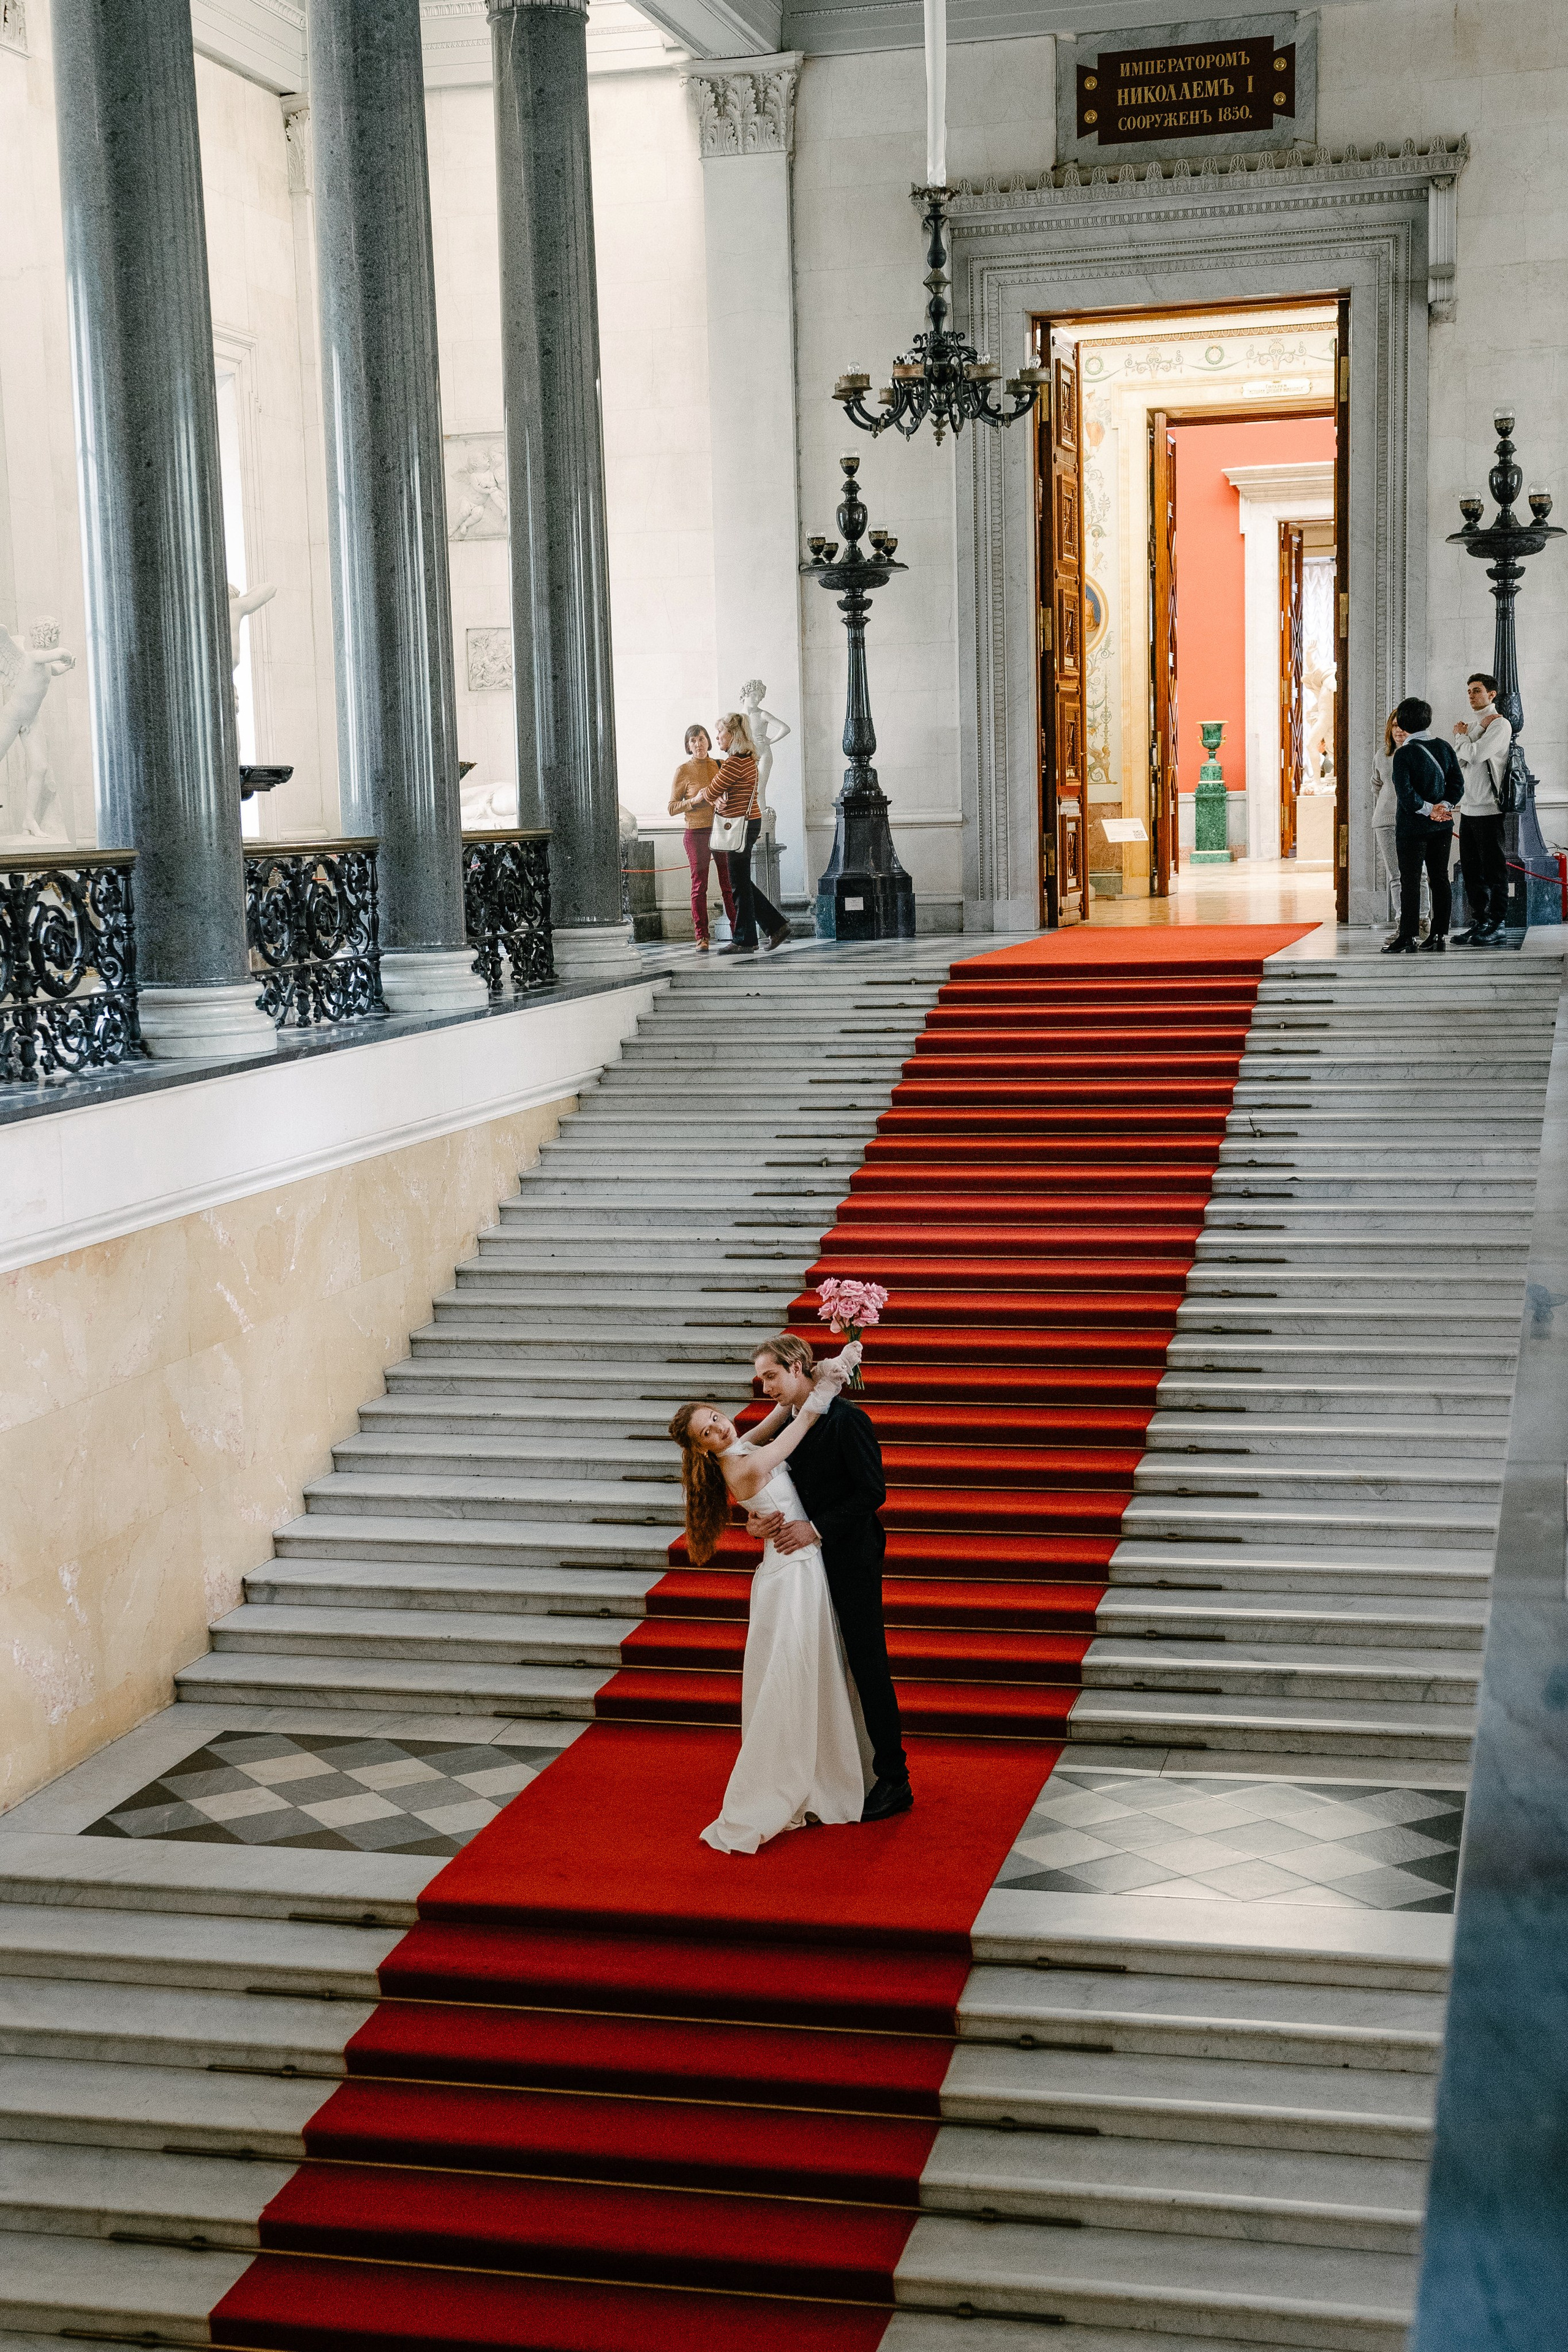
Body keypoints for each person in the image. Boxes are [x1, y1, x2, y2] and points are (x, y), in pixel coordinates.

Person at [670, 1344, 867, 1854]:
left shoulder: (737, 1449)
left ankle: (821, 1764)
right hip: (793, 1572)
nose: (720, 1429)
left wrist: (812, 1376)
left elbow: (778, 1417)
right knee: (796, 1669)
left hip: (796, 1564)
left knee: (814, 1666)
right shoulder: (740, 1465)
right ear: (701, 1449)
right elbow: (793, 1435)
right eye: (707, 1433)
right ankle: (791, 1777)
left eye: (715, 1418)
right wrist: (826, 1387)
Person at [745, 1332, 910, 1824]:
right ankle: (832, 1771)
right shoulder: (791, 1424)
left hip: (850, 1559)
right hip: (804, 1568)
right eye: (760, 1380)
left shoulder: (848, 1419)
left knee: (867, 1665)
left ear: (798, 1366)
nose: (765, 1387)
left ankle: (895, 1778)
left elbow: (871, 1492)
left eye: (771, 1376)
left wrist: (814, 1529)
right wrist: (757, 1522)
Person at [1382, 696, 1463, 956]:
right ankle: (1439, 934)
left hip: (1413, 828)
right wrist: (1444, 808)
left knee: (1411, 880)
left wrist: (1429, 810)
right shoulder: (1445, 746)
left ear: (1404, 722)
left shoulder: (1404, 753)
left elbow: (1405, 793)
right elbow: (1457, 784)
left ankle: (1408, 936)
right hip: (1441, 827)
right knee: (1440, 878)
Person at [711, 712, 789, 957]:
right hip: (749, 822)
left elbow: (712, 789)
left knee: (738, 883)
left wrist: (707, 797)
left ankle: (746, 939)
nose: (717, 737)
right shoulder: (748, 759)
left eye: (720, 732)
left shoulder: (735, 762)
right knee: (741, 881)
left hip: (739, 826)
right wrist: (718, 799)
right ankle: (775, 927)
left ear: (732, 734)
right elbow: (724, 792)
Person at [1452, 671, 1513, 946]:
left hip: (1489, 808)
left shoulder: (1500, 725)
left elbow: (1475, 755)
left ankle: (1497, 923)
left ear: (1491, 694)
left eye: (1476, 691)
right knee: (1471, 872)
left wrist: (1462, 737)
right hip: (1468, 808)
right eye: (1469, 691)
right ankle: (1480, 923)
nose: (1471, 696)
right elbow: (1461, 763)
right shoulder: (1478, 726)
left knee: (1494, 870)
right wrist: (1470, 736)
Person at [667, 723, 736, 953]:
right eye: (693, 741)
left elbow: (732, 793)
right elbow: (672, 807)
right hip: (695, 832)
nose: (698, 744)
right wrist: (694, 801)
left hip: (721, 830)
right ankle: (702, 937)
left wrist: (726, 802)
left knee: (729, 884)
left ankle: (740, 933)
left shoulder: (720, 764)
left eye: (701, 739)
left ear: (708, 740)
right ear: (688, 746)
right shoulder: (683, 770)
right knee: (700, 886)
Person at [1371, 710, 1401, 922]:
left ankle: (1422, 919)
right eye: (1394, 726)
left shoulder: (1418, 752)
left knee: (1421, 875)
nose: (1399, 730)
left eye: (1403, 726)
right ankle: (1403, 920)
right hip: (1386, 820)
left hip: (1415, 820)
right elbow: (1377, 786)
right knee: (1396, 875)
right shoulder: (1382, 755)